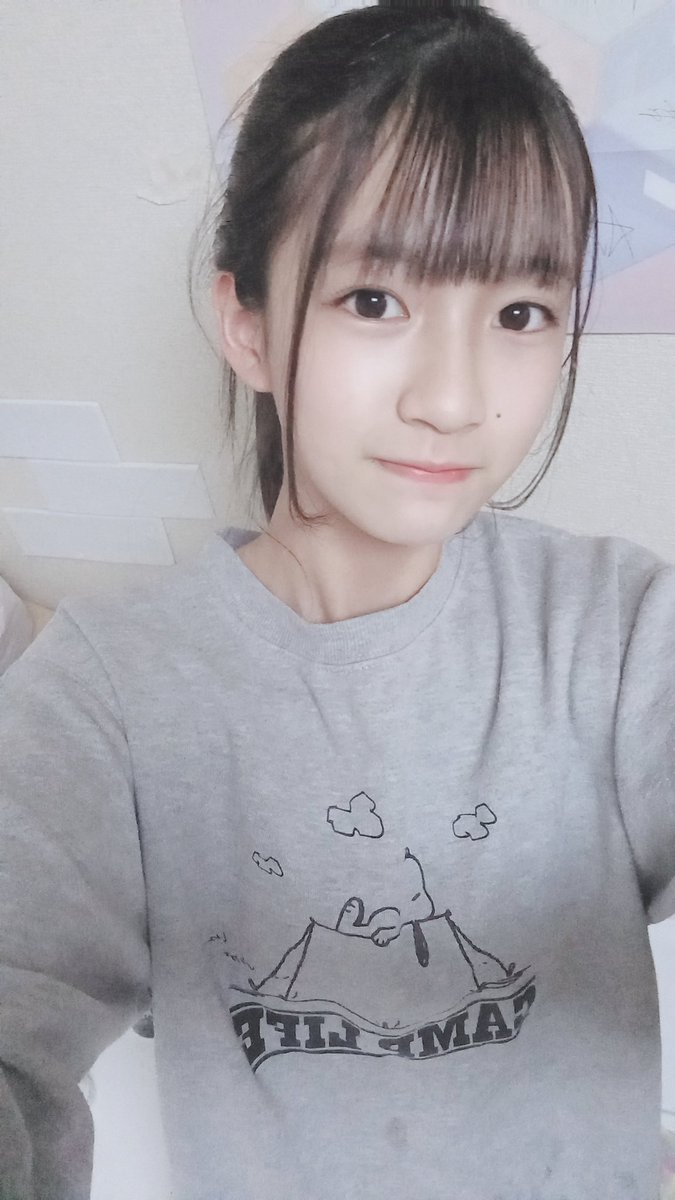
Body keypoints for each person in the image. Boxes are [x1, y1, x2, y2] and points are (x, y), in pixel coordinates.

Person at [1, 2, 673, 1198]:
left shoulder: (616, 632)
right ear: (247, 324)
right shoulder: (105, 699)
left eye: (520, 314)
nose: (453, 399)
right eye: (375, 299)